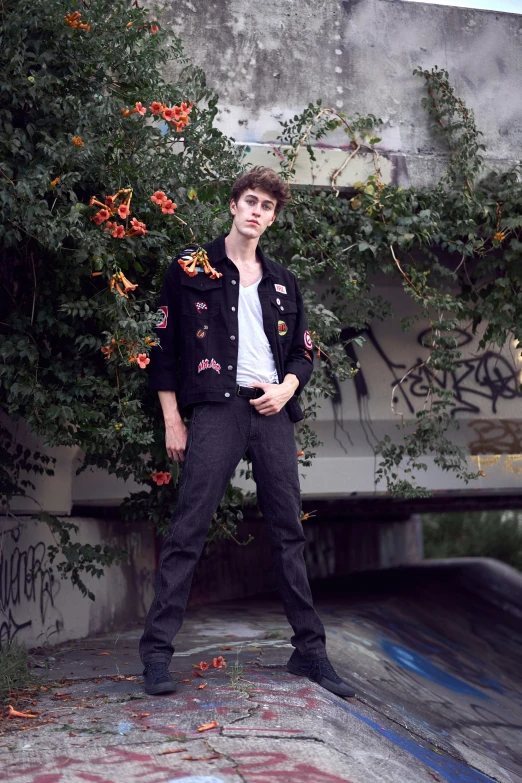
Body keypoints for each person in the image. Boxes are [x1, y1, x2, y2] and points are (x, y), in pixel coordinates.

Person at [139, 166, 354, 699]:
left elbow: (304, 350)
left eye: (267, 207)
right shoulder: (192, 267)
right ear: (234, 205)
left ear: (272, 218)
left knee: (288, 534)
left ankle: (310, 653)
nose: (257, 212)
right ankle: (157, 657)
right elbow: (163, 350)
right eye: (251, 202)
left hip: (273, 411)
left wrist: (286, 388)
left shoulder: (283, 280)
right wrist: (173, 418)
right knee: (189, 528)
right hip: (216, 409)